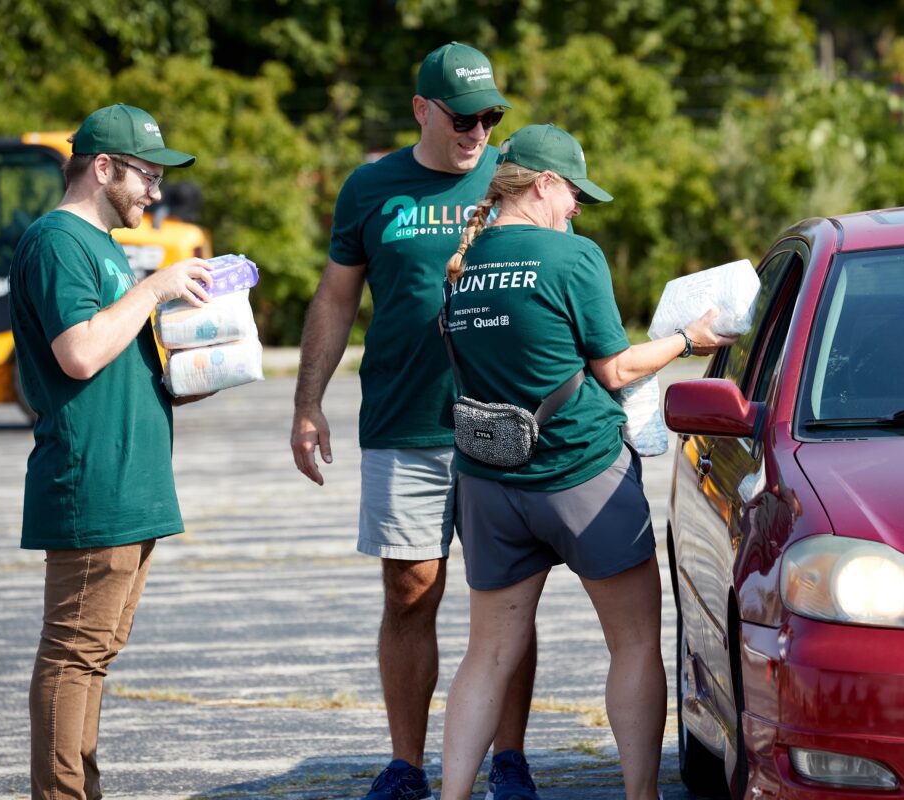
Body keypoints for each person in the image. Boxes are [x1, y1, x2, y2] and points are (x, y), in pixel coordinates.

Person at [437, 124, 737, 800]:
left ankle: (452, 794)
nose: (577, 207)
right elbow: (617, 368)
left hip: (490, 485)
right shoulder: (573, 257)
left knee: (486, 655)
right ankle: (640, 795)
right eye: (574, 192)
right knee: (633, 643)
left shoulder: (460, 263)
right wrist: (690, 338)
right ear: (544, 184)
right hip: (583, 475)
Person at [289, 42, 541, 800]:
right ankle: (407, 764)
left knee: (508, 599)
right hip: (404, 420)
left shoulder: (513, 178)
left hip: (504, 423)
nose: (478, 131)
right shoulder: (371, 187)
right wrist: (307, 402)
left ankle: (509, 759)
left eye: (490, 117)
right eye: (463, 118)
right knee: (409, 591)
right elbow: (337, 298)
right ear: (422, 110)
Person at [8, 103, 213, 800]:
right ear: (103, 168)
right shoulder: (58, 241)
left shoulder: (101, 246)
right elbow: (79, 353)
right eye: (147, 175)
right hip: (91, 481)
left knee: (93, 656)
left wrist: (194, 372)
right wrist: (155, 287)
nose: (155, 191)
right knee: (72, 656)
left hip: (130, 484)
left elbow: (116, 359)